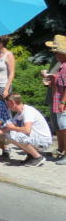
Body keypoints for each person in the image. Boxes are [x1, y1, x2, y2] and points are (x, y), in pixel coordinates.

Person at [0, 94, 53, 166]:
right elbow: (7, 129)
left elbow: (27, 130)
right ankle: (31, 155)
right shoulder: (18, 115)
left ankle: (38, 157)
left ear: (12, 103)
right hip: (36, 138)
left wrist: (12, 128)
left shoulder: (28, 111)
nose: (7, 107)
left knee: (14, 135)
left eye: (8, 104)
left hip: (43, 141)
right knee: (9, 135)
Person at [43, 35, 66, 164]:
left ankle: (64, 152)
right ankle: (62, 150)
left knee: (64, 128)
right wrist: (52, 79)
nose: (55, 53)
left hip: (61, 101)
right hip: (57, 99)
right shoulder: (62, 65)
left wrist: (63, 102)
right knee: (61, 127)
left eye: (57, 51)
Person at [0, 35, 15, 125]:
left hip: (3, 85)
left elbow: (12, 73)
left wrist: (6, 89)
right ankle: (0, 131)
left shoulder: (8, 55)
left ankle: (9, 130)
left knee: (6, 108)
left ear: (1, 43)